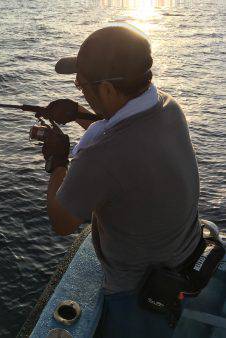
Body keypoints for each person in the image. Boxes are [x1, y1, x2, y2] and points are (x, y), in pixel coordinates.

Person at [41, 25, 201, 337]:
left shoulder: (102, 156)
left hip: (137, 289)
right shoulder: (167, 107)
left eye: (83, 87)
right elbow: (120, 126)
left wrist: (58, 162)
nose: (80, 90)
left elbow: (61, 222)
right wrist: (78, 113)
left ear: (110, 90)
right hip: (181, 257)